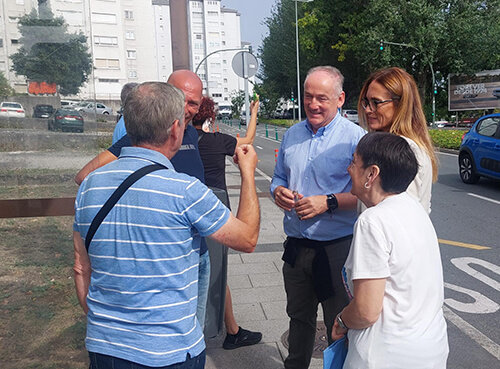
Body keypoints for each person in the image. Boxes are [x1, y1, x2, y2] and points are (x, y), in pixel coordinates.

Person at [73, 81, 260, 369]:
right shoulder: (186, 191)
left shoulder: (90, 186)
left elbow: (81, 267)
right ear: (175, 129)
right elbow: (247, 239)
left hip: (104, 349)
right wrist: (247, 174)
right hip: (168, 352)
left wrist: (105, 327)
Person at [270, 66, 366, 369]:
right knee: (298, 317)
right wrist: (278, 192)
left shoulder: (355, 139)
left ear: (340, 99)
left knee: (338, 323)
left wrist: (329, 202)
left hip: (338, 249)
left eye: (322, 98)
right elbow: (277, 178)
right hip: (297, 246)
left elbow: (366, 194)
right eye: (308, 96)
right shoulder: (292, 134)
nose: (313, 104)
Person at [331, 132, 449, 368]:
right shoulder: (414, 208)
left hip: (385, 356)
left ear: (371, 174)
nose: (349, 169)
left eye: (354, 162)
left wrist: (342, 321)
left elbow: (366, 311)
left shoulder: (372, 221)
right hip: (431, 351)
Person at [191, 96, 262, 349]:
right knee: (215, 270)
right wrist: (254, 112)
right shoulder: (215, 141)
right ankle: (228, 331)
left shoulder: (177, 143)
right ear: (209, 116)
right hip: (216, 213)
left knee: (206, 269)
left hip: (186, 214)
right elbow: (249, 140)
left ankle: (232, 329)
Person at [357, 66, 438, 213]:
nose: (368, 109)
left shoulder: (404, 151)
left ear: (401, 104)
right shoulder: (388, 145)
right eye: (367, 102)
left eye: (376, 102)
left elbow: (398, 216)